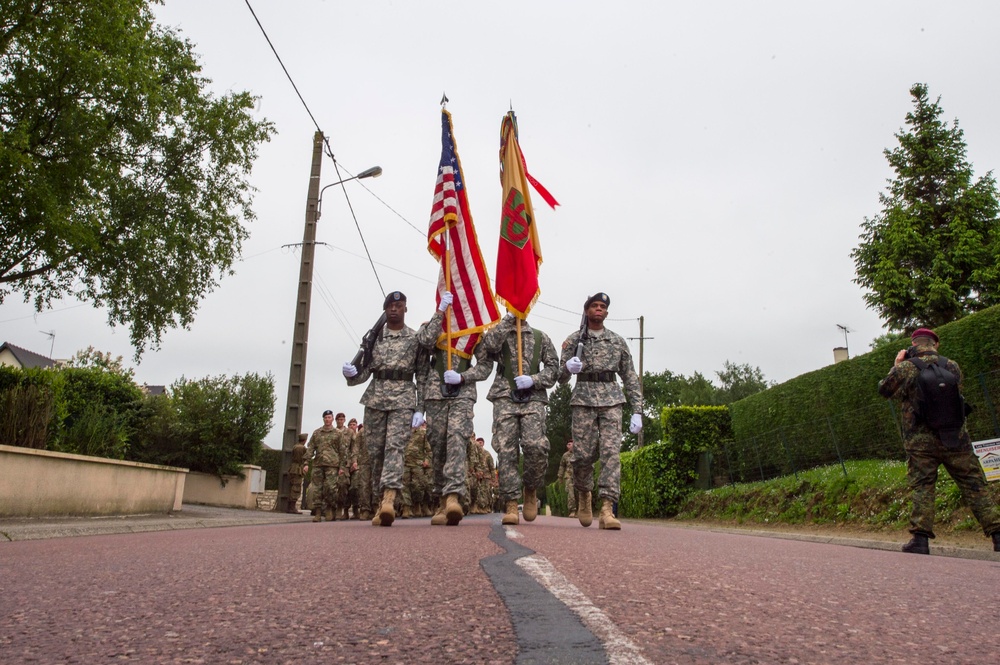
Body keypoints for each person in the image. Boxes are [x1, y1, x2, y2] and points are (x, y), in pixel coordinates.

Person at [878, 327, 1000, 554]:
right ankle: (998, 534)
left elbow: (884, 390)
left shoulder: (905, 368)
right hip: (955, 438)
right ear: (936, 344)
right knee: (974, 485)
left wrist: (897, 365)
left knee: (923, 487)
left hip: (921, 442)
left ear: (913, 345)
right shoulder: (951, 366)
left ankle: (921, 540)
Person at [343, 291, 428, 527]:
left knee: (395, 448)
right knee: (376, 451)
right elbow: (365, 371)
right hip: (375, 399)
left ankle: (390, 498)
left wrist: (420, 408)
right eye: (390, 306)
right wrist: (351, 374)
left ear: (405, 309)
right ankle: (381, 501)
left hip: (403, 399)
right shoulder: (374, 338)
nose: (394, 309)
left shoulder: (414, 339)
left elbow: (422, 375)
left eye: (398, 305)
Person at [560, 292, 643, 530]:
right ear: (586, 311)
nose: (599, 309)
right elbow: (560, 377)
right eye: (594, 306)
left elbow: (630, 376)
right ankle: (585, 495)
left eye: (602, 306)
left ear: (606, 312)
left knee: (610, 454)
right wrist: (568, 367)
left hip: (611, 400)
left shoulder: (617, 341)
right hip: (583, 399)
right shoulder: (574, 340)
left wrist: (637, 409)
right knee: (582, 456)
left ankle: (607, 508)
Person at [415, 291, 493, 526]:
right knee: (438, 445)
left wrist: (462, 376)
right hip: (434, 394)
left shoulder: (474, 332)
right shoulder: (431, 326)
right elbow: (424, 343)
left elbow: (486, 366)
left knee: (456, 441)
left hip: (462, 394)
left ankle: (453, 497)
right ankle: (441, 497)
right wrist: (440, 313)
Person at [479, 314, 560, 526]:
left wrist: (533, 379)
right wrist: (507, 321)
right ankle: (511, 503)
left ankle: (531, 487)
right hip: (504, 395)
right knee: (506, 450)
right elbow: (488, 346)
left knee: (536, 446)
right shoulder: (501, 334)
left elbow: (553, 370)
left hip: (533, 396)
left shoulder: (540, 338)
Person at [306, 409, 348, 522]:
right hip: (318, 464)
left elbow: (343, 451)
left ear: (332, 419)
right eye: (325, 417)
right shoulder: (317, 433)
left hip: (332, 465)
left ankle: (330, 508)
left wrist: (342, 467)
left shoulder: (338, 434)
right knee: (317, 489)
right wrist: (306, 463)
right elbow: (310, 449)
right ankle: (318, 512)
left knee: (331, 488)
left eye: (329, 417)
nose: (327, 419)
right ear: (323, 419)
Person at [401, 423, 431, 518]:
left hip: (418, 463)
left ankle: (417, 504)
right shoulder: (403, 432)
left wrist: (427, 459)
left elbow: (428, 449)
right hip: (404, 463)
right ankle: (406, 508)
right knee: (404, 486)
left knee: (418, 486)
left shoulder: (423, 433)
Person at [346, 418, 370, 520]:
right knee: (363, 486)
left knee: (375, 486)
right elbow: (355, 447)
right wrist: (354, 461)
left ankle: (376, 508)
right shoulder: (362, 432)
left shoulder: (381, 429)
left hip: (377, 462)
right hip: (364, 462)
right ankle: (365, 509)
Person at [285, 433, 308, 513]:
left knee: (293, 486)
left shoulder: (295, 446)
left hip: (293, 468)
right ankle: (292, 507)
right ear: (305, 440)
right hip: (297, 468)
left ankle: (290, 507)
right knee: (296, 487)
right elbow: (301, 458)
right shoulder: (301, 448)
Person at [557, 441, 577, 518]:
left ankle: (581, 510)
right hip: (569, 476)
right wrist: (560, 477)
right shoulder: (565, 455)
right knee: (571, 494)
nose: (568, 445)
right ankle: (572, 510)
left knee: (580, 493)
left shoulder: (579, 453)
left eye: (570, 444)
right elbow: (562, 466)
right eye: (567, 444)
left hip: (578, 476)